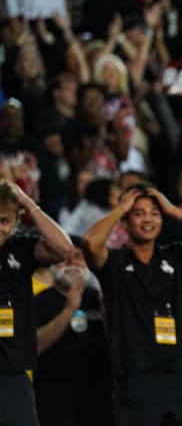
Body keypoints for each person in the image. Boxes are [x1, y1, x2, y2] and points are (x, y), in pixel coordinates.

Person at [81, 182, 182, 425]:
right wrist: (120, 209)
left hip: (180, 380)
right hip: (135, 382)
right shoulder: (114, 263)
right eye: (138, 214)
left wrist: (173, 210)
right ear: (126, 223)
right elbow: (90, 243)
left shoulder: (175, 256)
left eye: (154, 213)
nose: (148, 219)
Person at [0, 179, 74, 426]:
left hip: (12, 372)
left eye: (4, 221)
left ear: (15, 223)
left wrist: (29, 205)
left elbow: (64, 250)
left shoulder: (20, 248)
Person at [33, 236, 113, 426]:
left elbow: (119, 346)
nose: (71, 263)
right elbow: (35, 346)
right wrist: (69, 310)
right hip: (53, 401)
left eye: (79, 257)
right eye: (64, 258)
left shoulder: (100, 299)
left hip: (98, 400)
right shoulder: (37, 302)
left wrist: (107, 313)